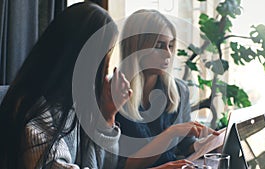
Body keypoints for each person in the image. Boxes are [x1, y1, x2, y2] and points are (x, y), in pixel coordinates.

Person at [0, 2, 195, 169]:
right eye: (106, 54)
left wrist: (108, 117)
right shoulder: (39, 111)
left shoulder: (75, 105)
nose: (108, 65)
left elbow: (104, 166)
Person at [116, 9, 219, 169]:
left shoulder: (179, 90)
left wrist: (210, 144)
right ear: (137, 48)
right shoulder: (113, 94)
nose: (168, 54)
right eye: (159, 46)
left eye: (170, 45)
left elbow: (186, 145)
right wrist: (171, 132)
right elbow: (119, 165)